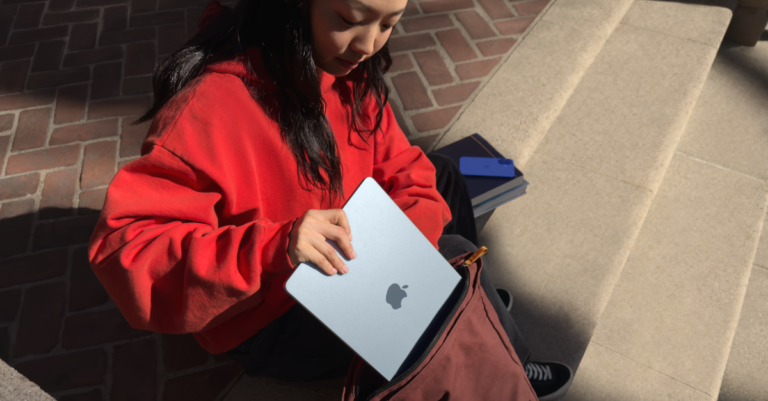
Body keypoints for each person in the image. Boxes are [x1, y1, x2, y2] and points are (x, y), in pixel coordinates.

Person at [88, 0, 572, 399]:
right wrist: (273, 246)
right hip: (271, 312)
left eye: (389, 23)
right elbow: (127, 251)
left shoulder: (351, 74)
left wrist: (408, 256)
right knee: (453, 255)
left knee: (445, 178)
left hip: (345, 260)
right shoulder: (210, 108)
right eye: (348, 19)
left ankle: (464, 312)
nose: (368, 44)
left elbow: (407, 167)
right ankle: (497, 355)